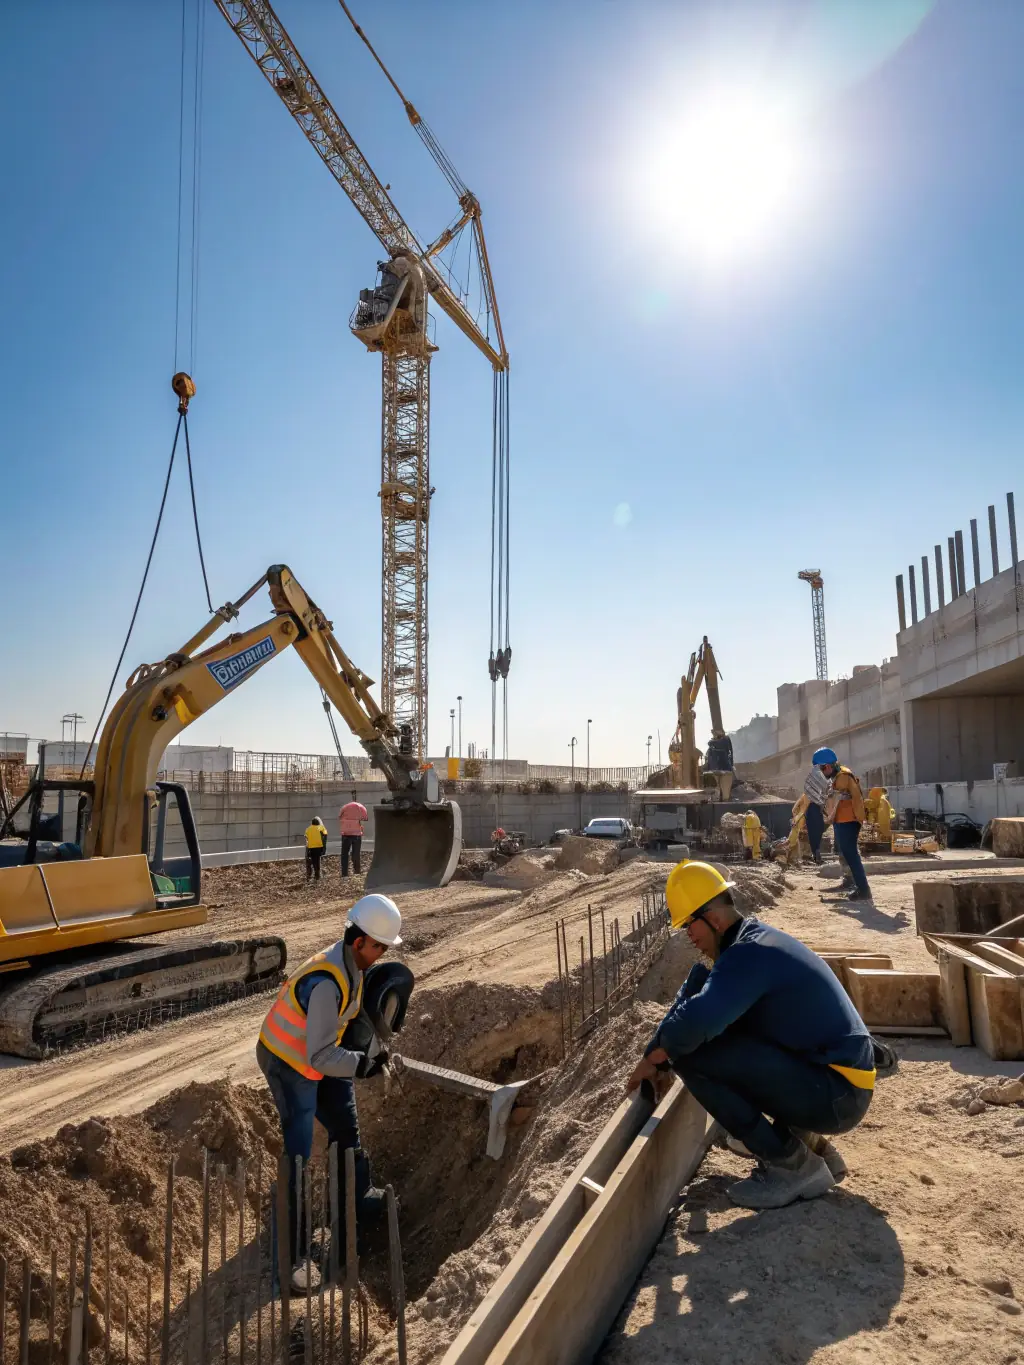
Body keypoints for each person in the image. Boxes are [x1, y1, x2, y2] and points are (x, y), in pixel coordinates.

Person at [627, 860, 876, 1210]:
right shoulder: (753, 943)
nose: (688, 935)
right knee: (704, 1038)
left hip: (836, 1097)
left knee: (691, 1054)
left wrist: (656, 1057)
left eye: (689, 925)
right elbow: (696, 991)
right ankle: (816, 1152)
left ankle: (790, 1165)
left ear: (712, 917)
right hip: (837, 1082)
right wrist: (656, 1048)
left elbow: (695, 1025)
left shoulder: (747, 955)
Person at [257, 894, 405, 1290]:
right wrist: (360, 1064)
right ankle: (293, 1259)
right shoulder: (325, 983)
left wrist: (373, 1049)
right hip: (288, 1063)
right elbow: (321, 1056)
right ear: (359, 941)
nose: (382, 952)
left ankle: (359, 1194)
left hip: (317, 1054)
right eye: (379, 946)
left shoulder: (351, 965)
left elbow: (348, 1021)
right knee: (300, 1153)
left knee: (346, 1125)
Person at [813, 747, 871, 902]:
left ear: (828, 766)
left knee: (851, 854)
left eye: (821, 768)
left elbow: (834, 800)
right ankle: (855, 885)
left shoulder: (842, 776)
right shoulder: (837, 776)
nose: (821, 772)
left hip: (849, 820)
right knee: (845, 852)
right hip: (842, 820)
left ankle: (864, 890)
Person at [339, 792, 368, 878]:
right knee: (356, 854)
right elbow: (365, 819)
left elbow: (340, 817)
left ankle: (344, 874)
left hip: (346, 834)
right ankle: (357, 871)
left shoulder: (344, 808)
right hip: (356, 834)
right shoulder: (360, 808)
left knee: (344, 854)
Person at [304, 816, 328, 881]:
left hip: (311, 847)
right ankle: (317, 875)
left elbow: (306, 839)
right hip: (319, 847)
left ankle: (314, 874)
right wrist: (324, 847)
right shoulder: (321, 828)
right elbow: (325, 835)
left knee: (314, 861)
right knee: (318, 861)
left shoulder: (308, 829)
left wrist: (308, 850)